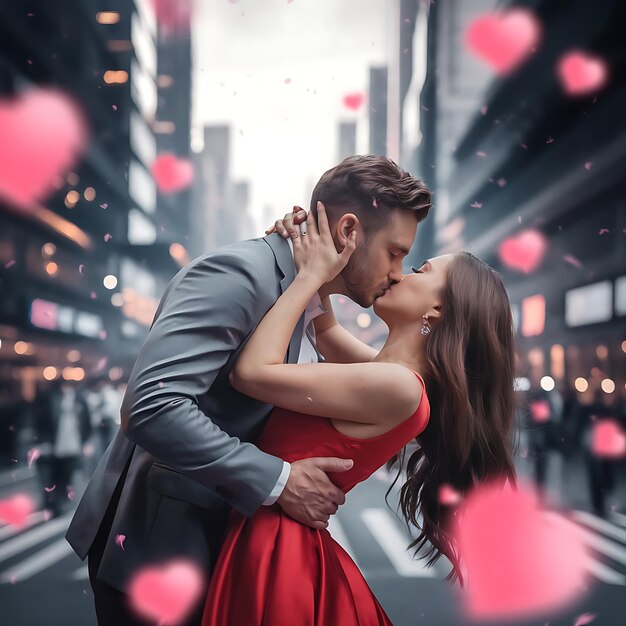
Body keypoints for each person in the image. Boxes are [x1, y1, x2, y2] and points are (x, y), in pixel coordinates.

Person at [65, 155, 432, 626]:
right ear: (348, 231)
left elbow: (377, 377)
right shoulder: (239, 275)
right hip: (164, 554)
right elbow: (152, 405)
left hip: (224, 552)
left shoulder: (307, 296)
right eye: (395, 252)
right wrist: (280, 480)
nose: (399, 272)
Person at [199, 203, 519, 625]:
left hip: (276, 543)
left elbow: (251, 374)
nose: (401, 273)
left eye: (420, 270)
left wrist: (310, 275)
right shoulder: (388, 375)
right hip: (274, 532)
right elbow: (326, 331)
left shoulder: (398, 387)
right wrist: (313, 247)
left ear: (436, 311)